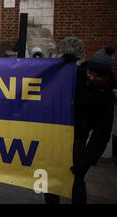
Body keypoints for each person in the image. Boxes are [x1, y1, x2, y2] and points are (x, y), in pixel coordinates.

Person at [45, 46, 116, 204]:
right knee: (50, 181)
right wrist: (64, 63)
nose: (91, 78)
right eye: (91, 73)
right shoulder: (75, 75)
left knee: (76, 181)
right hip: (57, 136)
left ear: (106, 77)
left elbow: (102, 132)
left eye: (97, 76)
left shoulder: (106, 98)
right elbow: (51, 76)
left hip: (78, 141)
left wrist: (88, 159)